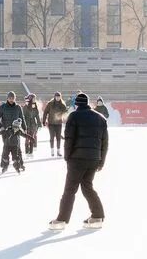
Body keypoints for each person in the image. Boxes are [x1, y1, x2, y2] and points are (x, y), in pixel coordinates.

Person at [49, 93, 108, 231]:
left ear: (77, 104)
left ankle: (61, 220)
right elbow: (105, 143)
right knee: (87, 186)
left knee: (70, 190)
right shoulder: (100, 118)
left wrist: (67, 157)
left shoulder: (74, 116)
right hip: (93, 159)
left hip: (77, 159)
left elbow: (69, 139)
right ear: (87, 103)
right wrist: (101, 161)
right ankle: (98, 215)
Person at [43, 91, 68, 157]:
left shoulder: (62, 104)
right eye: (56, 96)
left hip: (59, 123)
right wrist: (44, 120)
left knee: (58, 138)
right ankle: (52, 151)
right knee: (52, 137)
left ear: (60, 97)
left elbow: (65, 113)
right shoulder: (50, 104)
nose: (58, 98)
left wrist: (65, 115)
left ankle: (58, 151)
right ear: (54, 97)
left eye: (59, 97)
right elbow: (45, 112)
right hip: (51, 123)